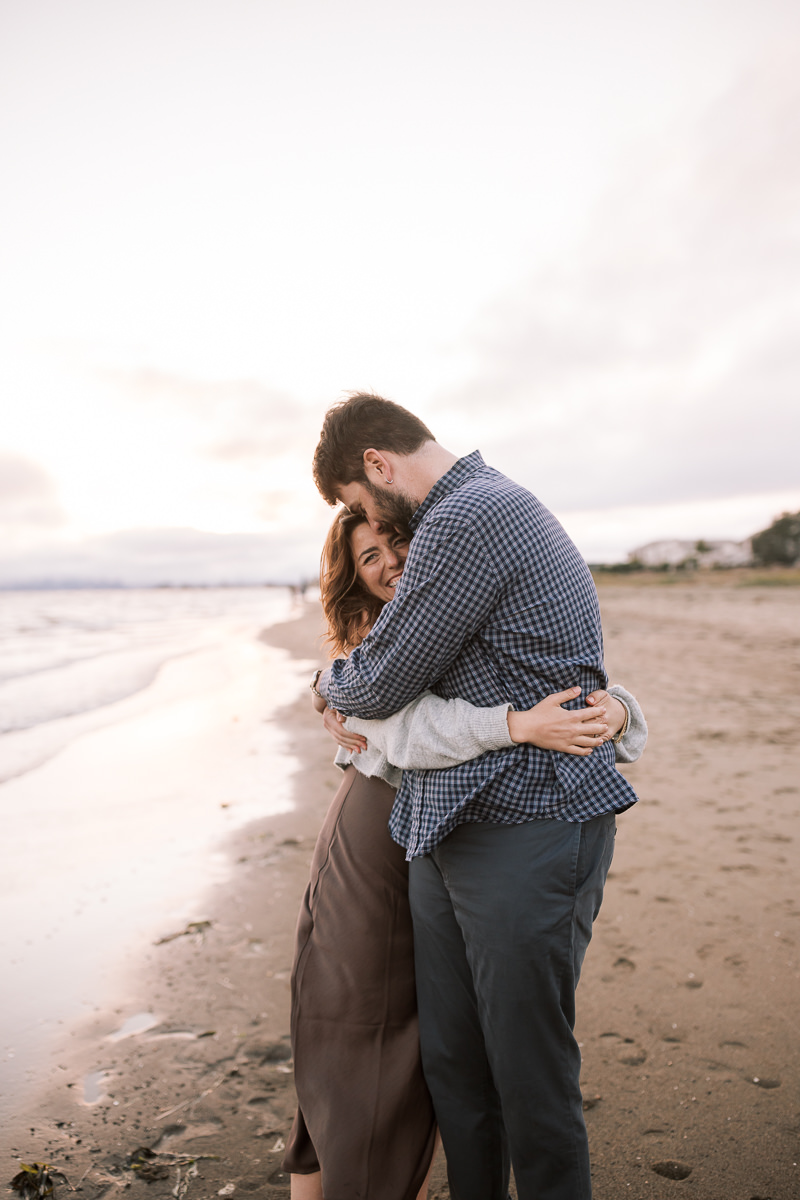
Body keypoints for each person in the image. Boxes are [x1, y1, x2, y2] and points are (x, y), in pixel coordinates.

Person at [311, 393, 643, 1200]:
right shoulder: (457, 523)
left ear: (376, 466)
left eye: (358, 502)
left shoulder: (474, 515)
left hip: (529, 822)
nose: (370, 521)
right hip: (443, 830)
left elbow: (383, 679)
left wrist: (325, 682)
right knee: (455, 1066)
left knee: (528, 1073)